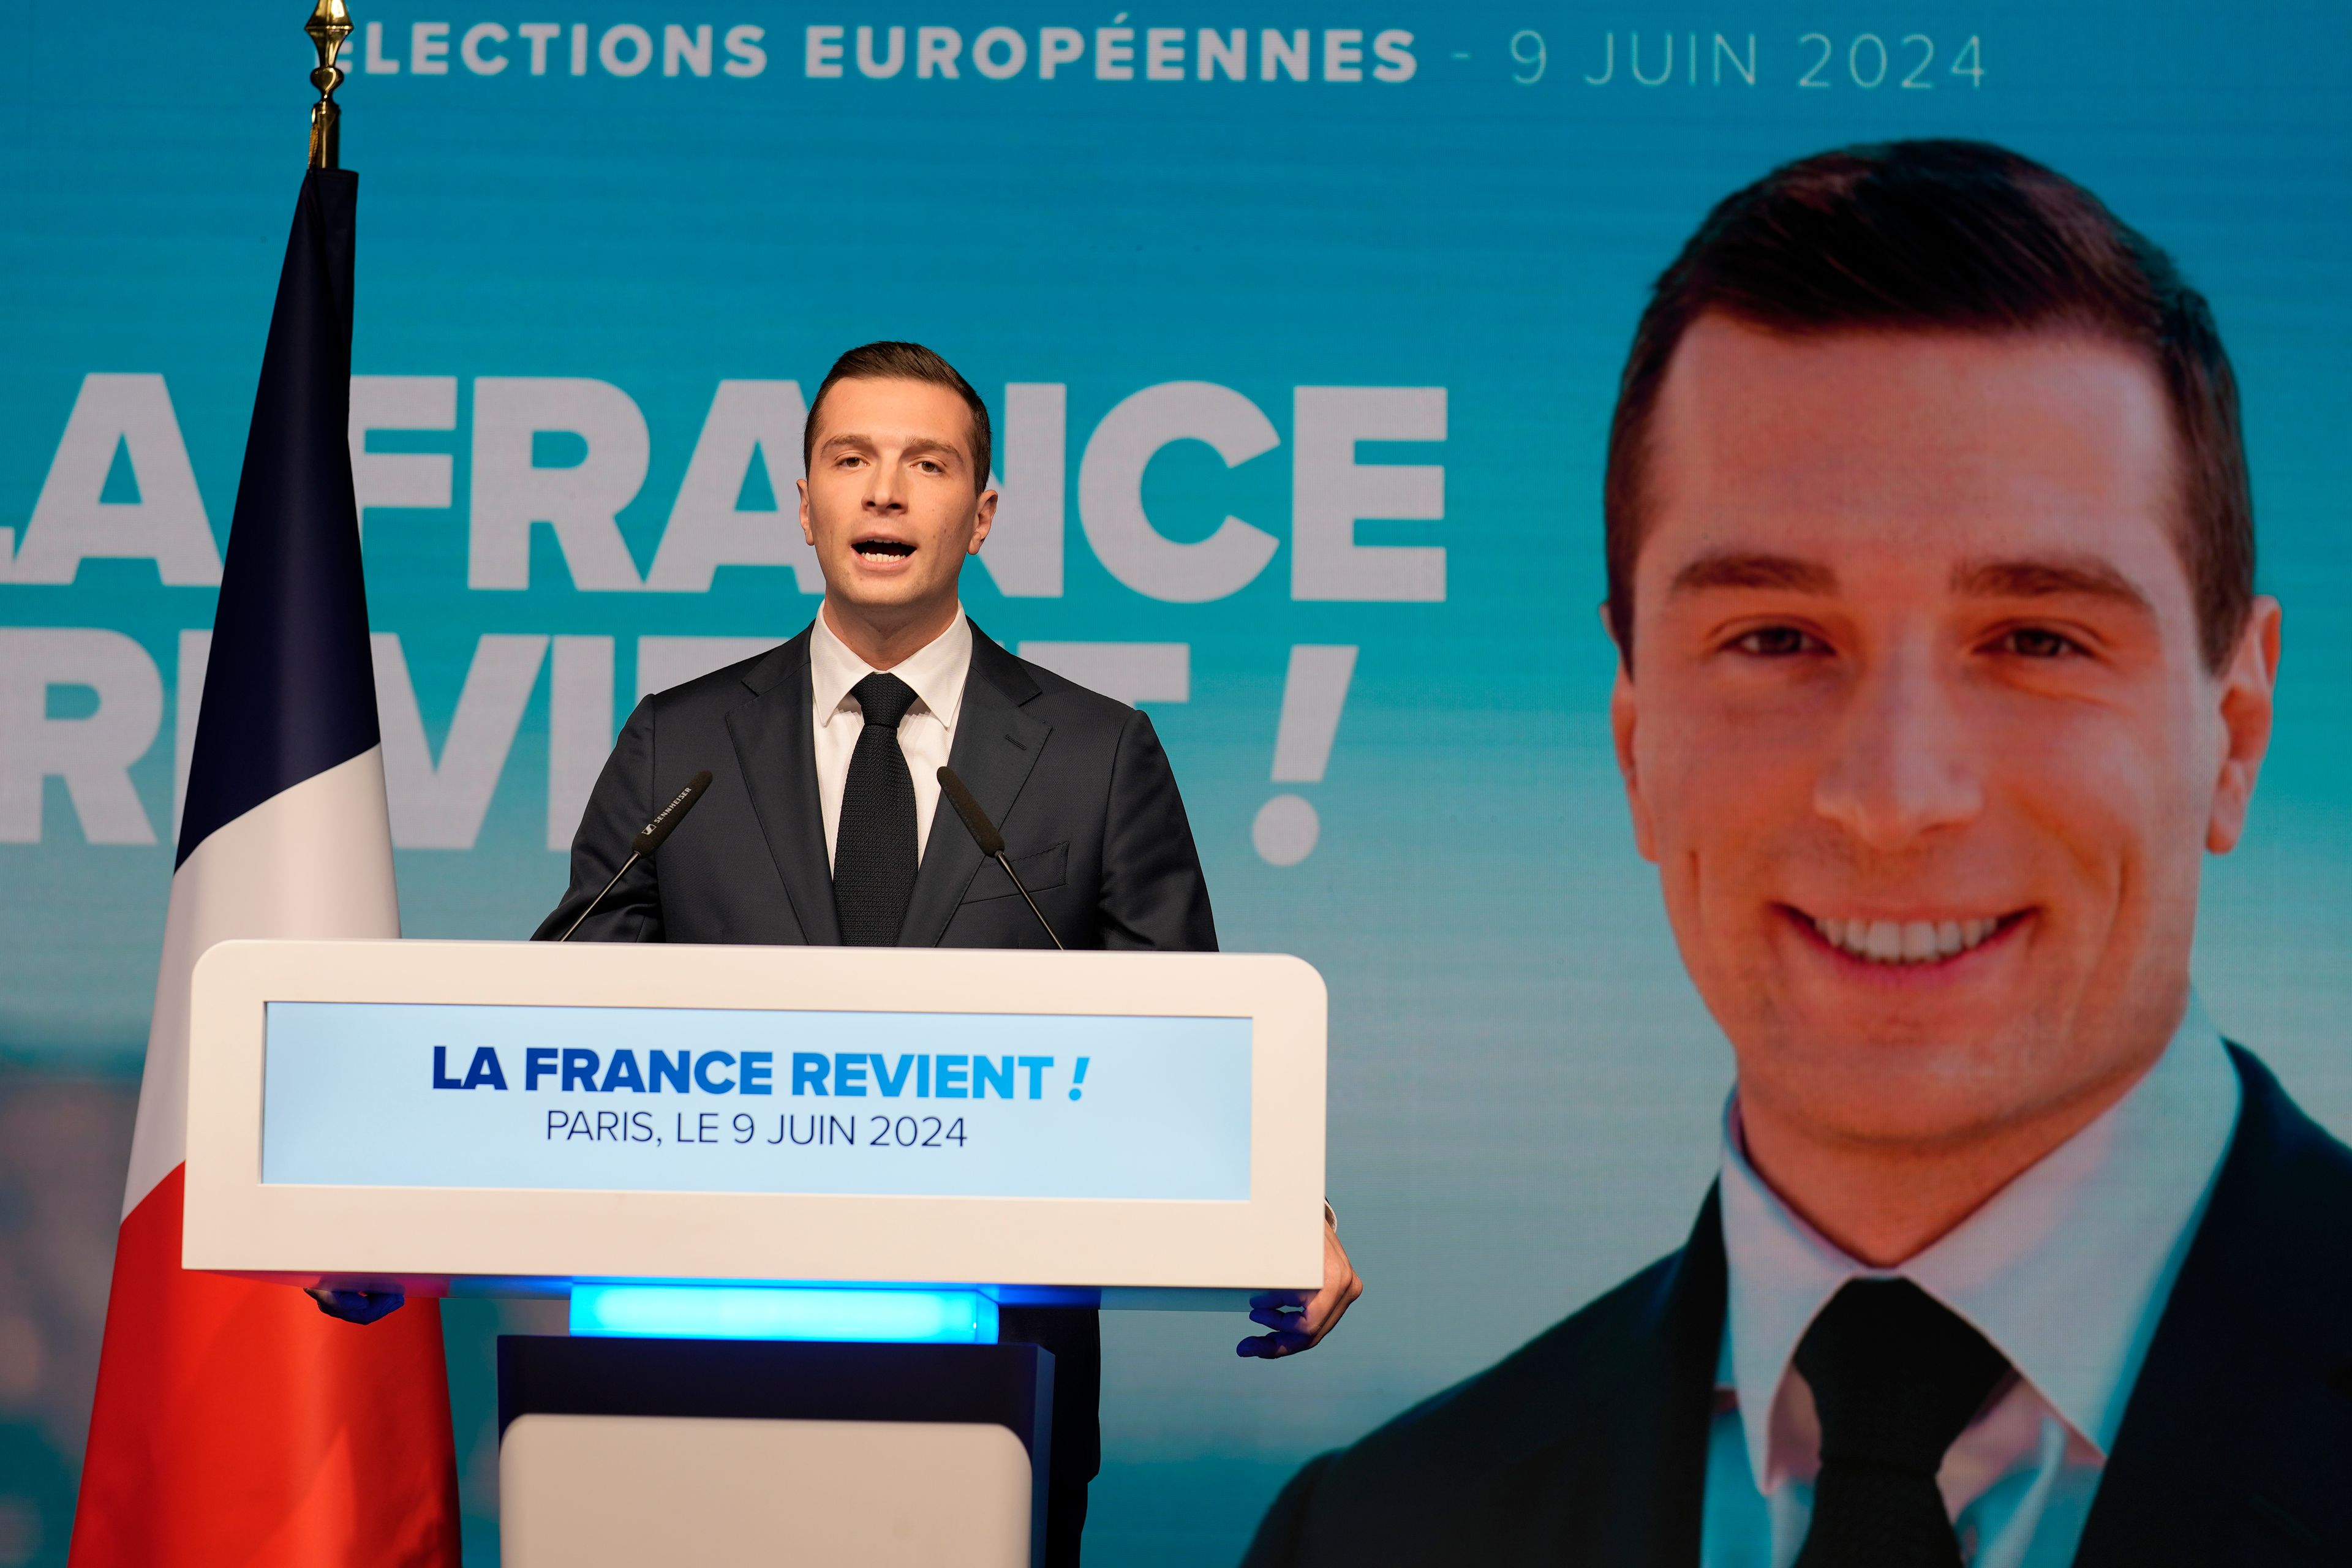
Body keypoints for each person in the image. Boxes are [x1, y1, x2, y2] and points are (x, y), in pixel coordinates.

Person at [1243, 141, 2351, 1567]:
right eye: (1775, 637)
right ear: (1636, 735)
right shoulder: (1377, 1535)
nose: (1893, 797)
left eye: (2034, 639)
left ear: (2239, 726)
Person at [532, 341, 1363, 1564]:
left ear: (980, 517)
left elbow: (1182, 1045)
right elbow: (565, 1035)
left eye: (926, 464)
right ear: (801, 501)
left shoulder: (1097, 752)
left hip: (996, 1392)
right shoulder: (679, 744)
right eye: (850, 458)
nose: (883, 491)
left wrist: (1287, 1209)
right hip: (695, 1377)